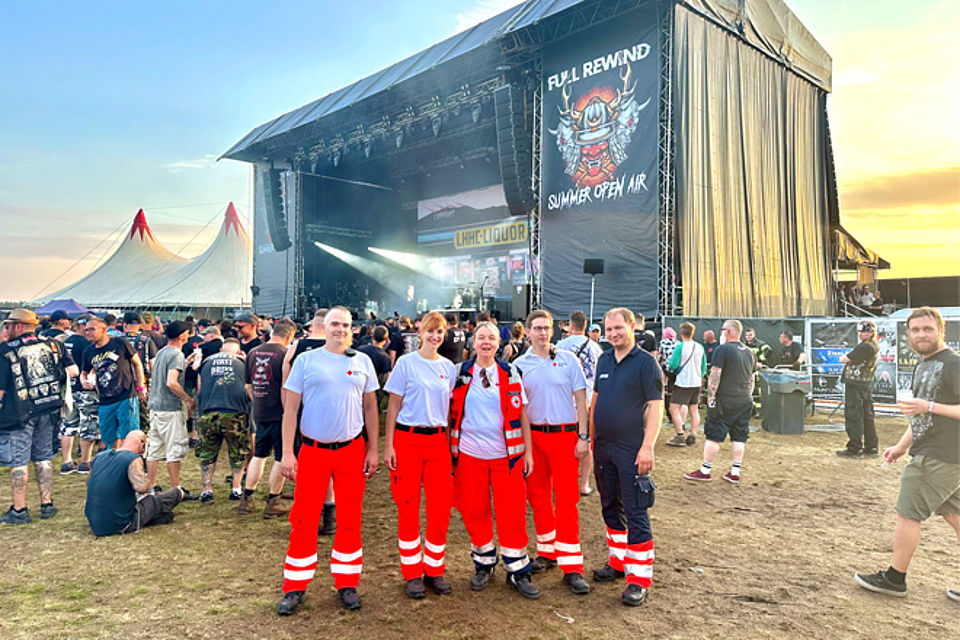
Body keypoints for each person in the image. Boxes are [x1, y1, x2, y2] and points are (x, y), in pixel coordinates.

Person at [276, 307, 380, 614]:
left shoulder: (363, 362)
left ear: (352, 329)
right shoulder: (306, 361)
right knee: (303, 519)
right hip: (313, 450)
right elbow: (290, 410)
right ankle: (295, 586)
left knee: (349, 519)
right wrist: (286, 452)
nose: (340, 329)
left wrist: (373, 449)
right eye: (335, 324)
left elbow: (371, 407)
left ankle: (347, 583)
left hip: (351, 450)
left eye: (345, 325)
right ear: (322, 326)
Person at [854, 307, 960, 601]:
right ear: (907, 334)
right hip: (938, 454)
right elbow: (921, 417)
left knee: (907, 513)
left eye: (927, 329)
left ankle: (894, 578)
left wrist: (929, 407)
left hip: (941, 456)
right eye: (915, 330)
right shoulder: (923, 365)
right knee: (954, 514)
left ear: (941, 331)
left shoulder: (953, 364)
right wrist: (902, 446)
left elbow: (928, 410)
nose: (921, 335)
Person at [448, 321, 538, 599]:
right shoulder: (459, 373)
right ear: (473, 343)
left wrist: (529, 453)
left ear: (499, 344)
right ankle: (484, 563)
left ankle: (517, 569)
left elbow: (522, 413)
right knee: (475, 511)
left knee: (512, 512)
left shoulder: (510, 372)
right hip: (469, 456)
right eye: (481, 338)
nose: (486, 342)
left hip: (506, 457)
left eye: (491, 338)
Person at [514, 310, 591, 595]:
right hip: (533, 438)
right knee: (538, 497)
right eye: (537, 328)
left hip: (564, 437)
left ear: (553, 331)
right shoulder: (519, 365)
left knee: (568, 499)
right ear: (528, 332)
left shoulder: (568, 360)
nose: (543, 333)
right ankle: (547, 551)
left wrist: (583, 436)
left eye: (546, 328)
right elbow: (518, 408)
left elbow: (581, 400)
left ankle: (572, 567)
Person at [382, 311, 457, 599]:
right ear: (421, 332)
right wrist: (389, 445)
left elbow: (448, 412)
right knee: (408, 507)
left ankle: (434, 569)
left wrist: (451, 447)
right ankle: (412, 572)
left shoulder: (448, 367)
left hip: (438, 442)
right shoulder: (406, 364)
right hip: (408, 440)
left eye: (440, 332)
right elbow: (394, 407)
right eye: (431, 331)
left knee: (440, 509)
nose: (435, 336)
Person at [590, 308, 662, 606]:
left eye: (618, 328)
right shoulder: (604, 359)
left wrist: (647, 447)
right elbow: (595, 400)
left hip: (631, 447)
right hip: (603, 447)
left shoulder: (645, 364)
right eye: (608, 330)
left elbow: (656, 407)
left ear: (632, 327)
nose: (613, 334)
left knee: (635, 510)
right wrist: (590, 439)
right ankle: (618, 562)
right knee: (610, 505)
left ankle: (639, 579)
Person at [0, 309, 76, 524]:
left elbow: (1, 390)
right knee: (43, 458)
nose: (5, 331)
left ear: (19, 326)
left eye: (8, 326)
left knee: (19, 461)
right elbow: (73, 372)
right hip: (48, 408)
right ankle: (47, 504)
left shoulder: (6, 350)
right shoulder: (54, 345)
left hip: (18, 413)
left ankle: (19, 509)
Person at [282, 307, 337, 535]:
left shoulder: (296, 348)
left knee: (306, 467)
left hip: (302, 415)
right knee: (330, 468)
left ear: (313, 325)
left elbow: (285, 385)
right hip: (329, 416)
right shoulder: (337, 350)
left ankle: (310, 515)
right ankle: (330, 516)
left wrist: (288, 414)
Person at [684, 319, 756, 484]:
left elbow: (715, 374)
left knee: (713, 436)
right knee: (739, 437)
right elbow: (752, 378)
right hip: (745, 399)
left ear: (729, 331)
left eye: (723, 329)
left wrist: (711, 396)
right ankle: (735, 472)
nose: (721, 332)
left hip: (725, 399)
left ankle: (705, 470)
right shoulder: (749, 352)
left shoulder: (722, 350)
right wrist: (748, 395)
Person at [240, 320, 295, 518]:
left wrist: (258, 402)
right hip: (280, 412)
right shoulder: (284, 354)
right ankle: (273, 501)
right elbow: (288, 386)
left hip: (260, 410)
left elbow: (247, 385)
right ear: (289, 336)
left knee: (259, 454)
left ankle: (247, 499)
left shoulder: (253, 352)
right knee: (280, 457)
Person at [84, 430, 184, 536]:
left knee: (166, 516)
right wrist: (144, 472)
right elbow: (142, 488)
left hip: (95, 522)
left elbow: (89, 481)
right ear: (142, 444)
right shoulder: (132, 458)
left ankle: (162, 516)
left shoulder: (100, 456)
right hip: (121, 522)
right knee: (174, 494)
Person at [146, 321, 197, 498]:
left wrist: (186, 362)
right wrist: (188, 399)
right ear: (182, 335)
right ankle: (177, 489)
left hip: (155, 406)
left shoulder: (162, 352)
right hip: (170, 407)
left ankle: (150, 486)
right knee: (174, 449)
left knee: (154, 449)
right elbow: (171, 382)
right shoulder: (176, 354)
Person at [196, 339, 251, 503]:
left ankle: (206, 490)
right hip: (235, 412)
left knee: (207, 452)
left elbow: (199, 388)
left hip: (209, 411)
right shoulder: (242, 361)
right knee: (238, 452)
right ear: (238, 351)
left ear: (221, 350)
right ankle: (236, 489)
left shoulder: (206, 361)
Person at [556, 310, 604, 496]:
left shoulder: (560, 346)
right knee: (586, 443)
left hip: (565, 400)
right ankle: (584, 484)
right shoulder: (596, 347)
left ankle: (561, 481)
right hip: (589, 399)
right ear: (585, 326)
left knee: (563, 444)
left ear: (571, 325)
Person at [81, 316, 146, 449]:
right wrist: (84, 381)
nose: (88, 333)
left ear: (104, 329)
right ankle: (114, 464)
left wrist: (140, 387)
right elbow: (84, 373)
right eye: (86, 330)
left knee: (130, 436)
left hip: (126, 396)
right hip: (105, 400)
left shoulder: (120, 343)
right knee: (109, 439)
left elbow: (137, 364)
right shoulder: (89, 351)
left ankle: (133, 463)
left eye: (92, 329)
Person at [59, 316, 99, 475]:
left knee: (68, 425)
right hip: (85, 389)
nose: (90, 330)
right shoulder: (86, 344)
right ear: (82, 326)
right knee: (88, 424)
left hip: (68, 389)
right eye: (88, 326)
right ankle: (85, 462)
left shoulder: (64, 342)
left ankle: (66, 462)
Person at [837, 320, 880, 458]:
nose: (861, 334)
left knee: (853, 415)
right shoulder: (873, 345)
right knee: (867, 415)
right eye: (860, 331)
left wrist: (845, 357)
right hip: (866, 383)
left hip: (856, 384)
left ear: (871, 333)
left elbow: (847, 359)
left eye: (864, 331)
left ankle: (855, 448)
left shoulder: (865, 347)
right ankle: (871, 446)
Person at [665, 322, 706, 447]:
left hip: (683, 382)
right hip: (696, 382)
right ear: (693, 333)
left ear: (681, 333)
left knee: (673, 407)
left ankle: (680, 435)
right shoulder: (700, 347)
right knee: (694, 409)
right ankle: (693, 435)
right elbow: (703, 367)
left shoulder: (680, 347)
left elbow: (673, 365)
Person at [122, 311, 158, 435]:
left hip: (121, 386)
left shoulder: (117, 340)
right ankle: (143, 444)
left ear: (124, 324)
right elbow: (153, 365)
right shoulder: (146, 341)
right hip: (142, 385)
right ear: (140, 325)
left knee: (123, 418)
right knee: (143, 419)